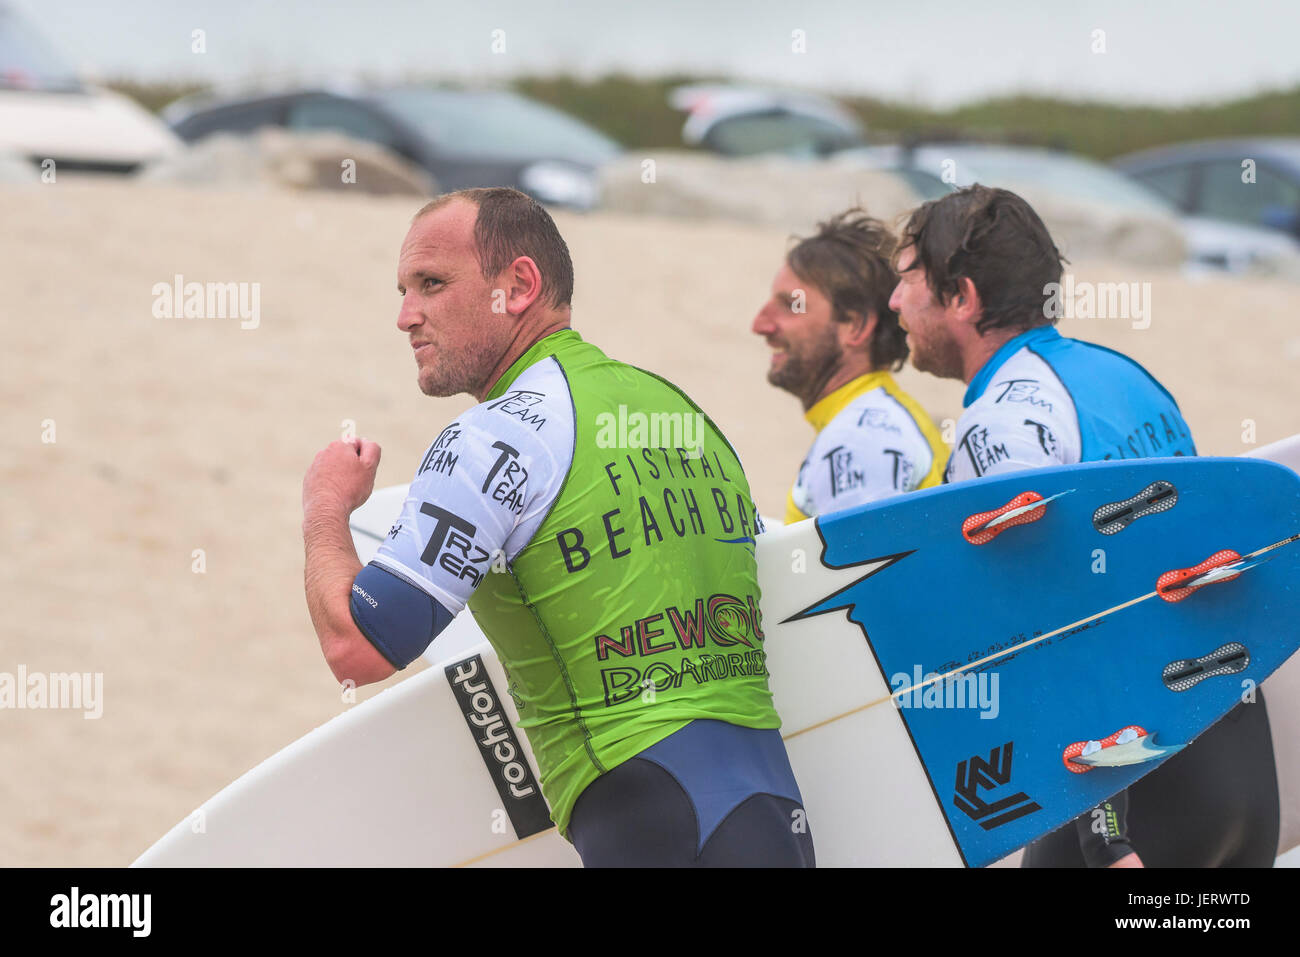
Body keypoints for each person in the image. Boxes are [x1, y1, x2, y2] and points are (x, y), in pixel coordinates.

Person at [301, 187, 814, 868]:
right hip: (772, 808)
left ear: (517, 285)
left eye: (431, 283)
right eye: (402, 289)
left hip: (650, 821)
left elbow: (360, 645)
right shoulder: (682, 414)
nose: (405, 316)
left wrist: (325, 507)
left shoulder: (495, 436)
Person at [888, 183, 1279, 868]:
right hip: (1234, 763)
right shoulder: (1127, 376)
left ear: (963, 296)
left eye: (908, 279)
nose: (894, 302)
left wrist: (1103, 832)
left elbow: (1058, 624)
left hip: (1129, 779)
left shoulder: (1004, 419)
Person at [751, 208, 947, 524]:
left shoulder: (861, 440)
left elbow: (861, 573)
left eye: (790, 305)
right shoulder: (876, 418)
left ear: (855, 327)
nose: (759, 325)